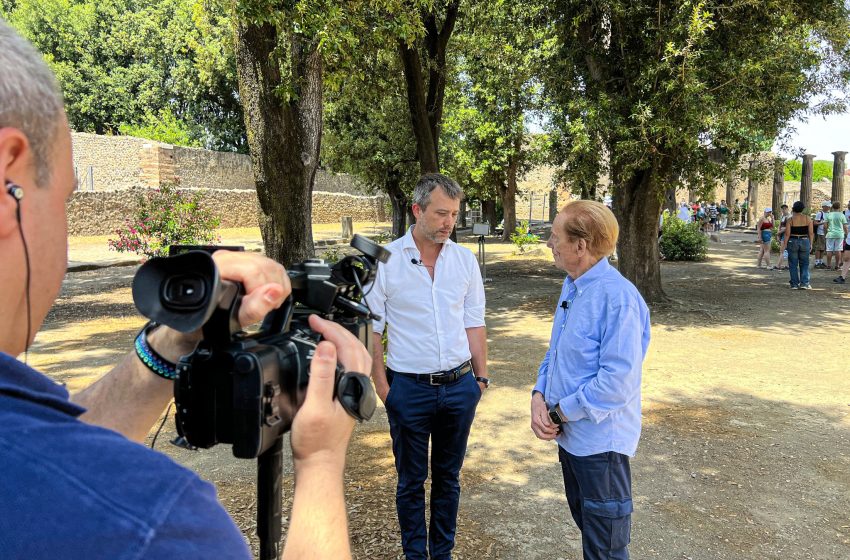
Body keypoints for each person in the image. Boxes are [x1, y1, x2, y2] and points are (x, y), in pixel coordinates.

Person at [0, 21, 369, 559]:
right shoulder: (152, 525)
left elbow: (50, 457)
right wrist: (320, 461)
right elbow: (61, 474)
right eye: (63, 200)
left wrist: (173, 342)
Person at [365, 173, 489, 560]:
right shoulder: (385, 261)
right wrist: (384, 389)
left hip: (459, 387)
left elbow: (474, 321)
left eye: (453, 214)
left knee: (449, 479)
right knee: (411, 481)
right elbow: (371, 329)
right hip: (409, 390)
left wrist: (480, 379)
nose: (448, 222)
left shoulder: (464, 260)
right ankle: (415, 554)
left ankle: (443, 554)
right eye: (440, 213)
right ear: (417, 210)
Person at [530, 200, 650, 560]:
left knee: (607, 549)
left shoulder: (618, 300)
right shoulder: (573, 286)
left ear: (581, 245)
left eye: (556, 237)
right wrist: (539, 395)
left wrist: (558, 413)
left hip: (601, 447)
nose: (550, 244)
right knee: (592, 534)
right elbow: (556, 352)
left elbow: (617, 382)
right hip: (572, 440)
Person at [780, 201, 814, 290]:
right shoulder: (808, 219)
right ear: (803, 209)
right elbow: (811, 233)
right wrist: (811, 243)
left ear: (793, 209)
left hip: (793, 241)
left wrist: (785, 245)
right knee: (805, 263)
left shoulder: (790, 220)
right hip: (805, 240)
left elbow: (787, 234)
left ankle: (794, 284)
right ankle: (804, 283)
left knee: (793, 263)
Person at [824, 201, 848, 270]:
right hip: (840, 234)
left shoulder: (828, 215)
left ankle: (828, 265)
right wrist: (847, 234)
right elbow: (845, 226)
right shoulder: (842, 215)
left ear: (832, 207)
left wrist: (827, 232)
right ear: (839, 207)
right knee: (838, 250)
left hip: (830, 234)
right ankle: (837, 265)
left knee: (829, 250)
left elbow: (825, 226)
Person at [813, 201, 830, 268]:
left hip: (827, 233)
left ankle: (821, 261)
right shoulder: (820, 213)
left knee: (823, 248)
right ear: (824, 207)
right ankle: (817, 263)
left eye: (829, 206)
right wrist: (822, 223)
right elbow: (815, 223)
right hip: (820, 233)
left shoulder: (829, 213)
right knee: (818, 248)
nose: (829, 207)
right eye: (828, 206)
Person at [773, 204, 790, 270]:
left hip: (786, 234)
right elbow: (779, 225)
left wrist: (779, 233)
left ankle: (778, 265)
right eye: (782, 209)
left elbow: (787, 227)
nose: (783, 210)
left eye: (785, 209)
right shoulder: (782, 216)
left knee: (783, 250)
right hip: (782, 234)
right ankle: (786, 265)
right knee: (783, 250)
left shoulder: (789, 217)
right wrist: (778, 234)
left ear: (787, 209)